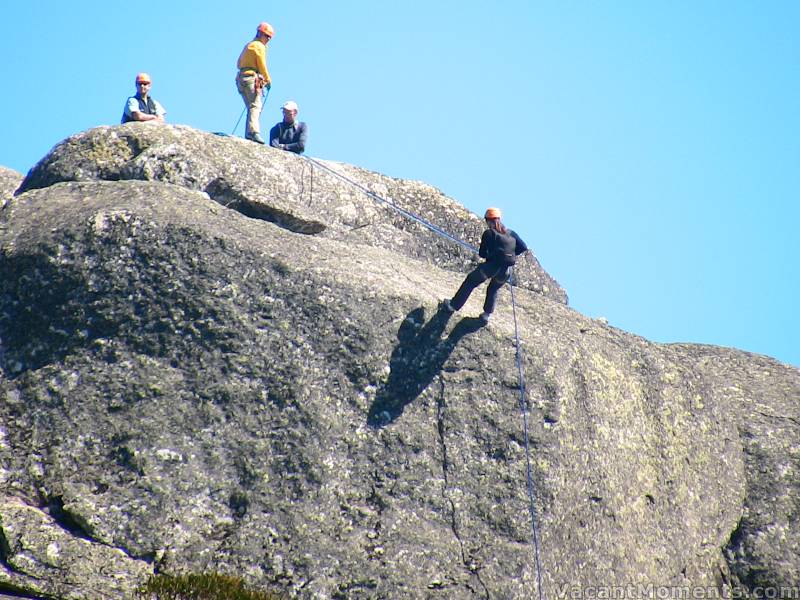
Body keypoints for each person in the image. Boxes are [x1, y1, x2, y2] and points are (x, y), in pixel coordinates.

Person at [442, 207, 528, 323]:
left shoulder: (489, 233)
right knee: (493, 288)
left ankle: (453, 306)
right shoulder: (511, 233)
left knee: (471, 281)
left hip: (491, 267)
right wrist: (511, 254)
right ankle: (486, 315)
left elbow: (482, 253)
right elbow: (523, 247)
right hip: (505, 272)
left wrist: (491, 254)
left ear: (488, 220)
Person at [236, 22, 274, 144]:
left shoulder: (249, 45)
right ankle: (253, 132)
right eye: (266, 36)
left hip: (241, 79)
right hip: (250, 78)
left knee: (251, 107)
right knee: (255, 106)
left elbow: (238, 63)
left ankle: (249, 133)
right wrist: (268, 79)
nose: (268, 39)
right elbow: (262, 64)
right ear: (260, 33)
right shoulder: (259, 46)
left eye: (269, 37)